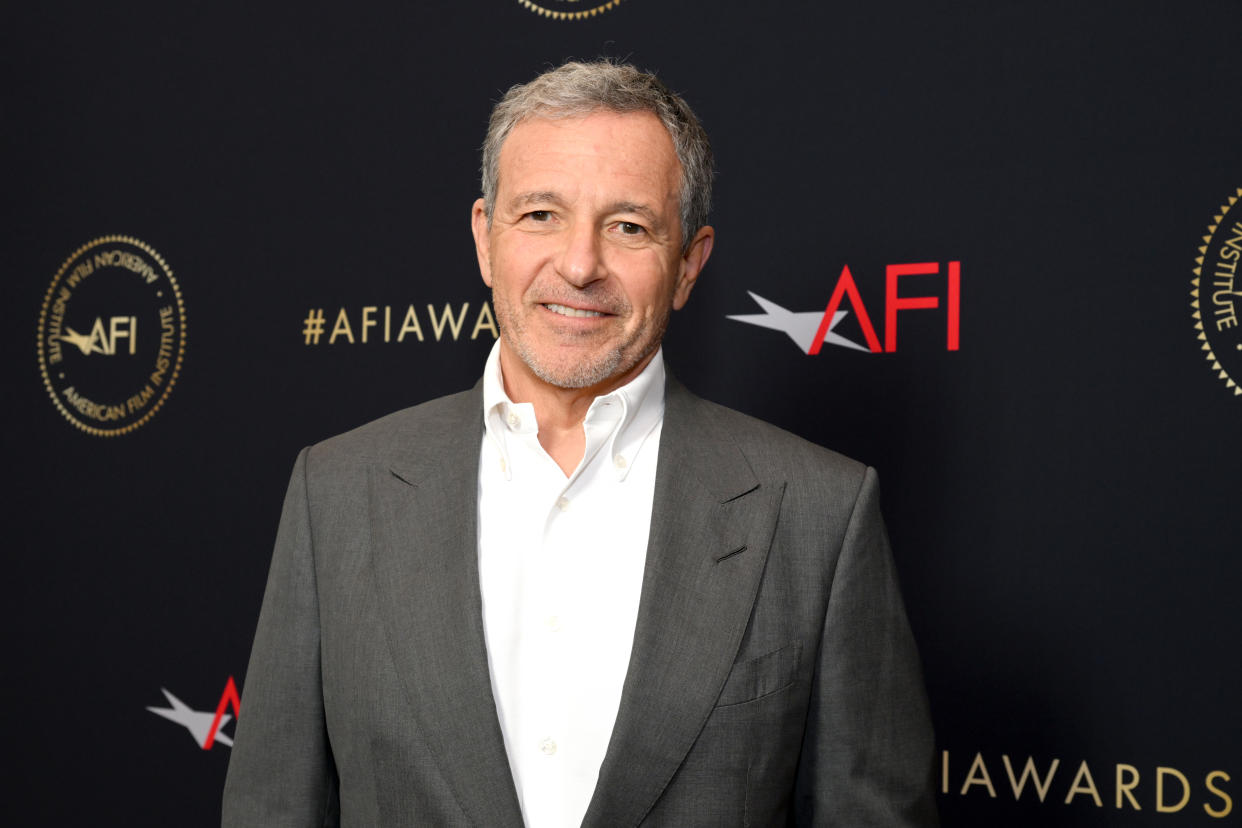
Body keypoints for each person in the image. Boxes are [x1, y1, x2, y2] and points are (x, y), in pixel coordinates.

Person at [222, 59, 937, 827]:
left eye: (628, 226)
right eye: (540, 215)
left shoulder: (818, 515)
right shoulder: (337, 492)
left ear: (689, 264)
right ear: (484, 240)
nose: (579, 264)